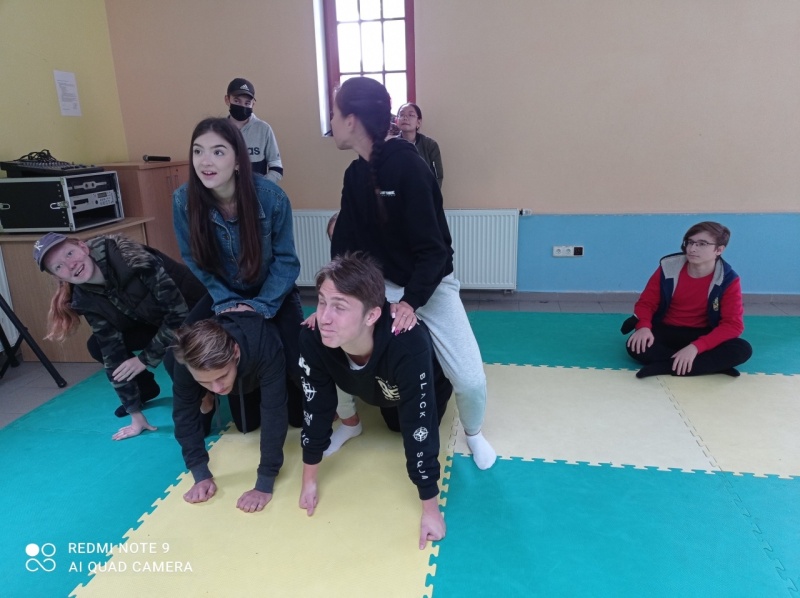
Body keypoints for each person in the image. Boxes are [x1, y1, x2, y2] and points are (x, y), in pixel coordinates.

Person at [325, 76, 496, 470]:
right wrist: (333, 299)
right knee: (331, 337)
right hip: (379, 284)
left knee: (469, 379)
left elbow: (435, 250)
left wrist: (410, 302)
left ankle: (473, 433)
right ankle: (349, 423)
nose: (331, 122)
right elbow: (345, 246)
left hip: (429, 283)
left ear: (351, 120)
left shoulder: (409, 167)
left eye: (333, 114)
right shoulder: (354, 175)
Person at [298, 252, 451, 549]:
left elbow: (420, 427)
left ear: (371, 316)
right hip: (376, 388)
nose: (324, 318)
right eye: (322, 302)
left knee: (400, 426)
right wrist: (309, 480)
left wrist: (431, 511)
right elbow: (315, 409)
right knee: (389, 416)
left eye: (339, 307)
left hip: (423, 384)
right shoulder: (314, 337)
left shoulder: (408, 344)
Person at [173, 117, 304, 428]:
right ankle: (206, 400)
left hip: (274, 291)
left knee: (298, 367)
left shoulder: (271, 197)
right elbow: (193, 258)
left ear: (237, 161)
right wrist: (228, 301)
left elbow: (287, 262)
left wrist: (260, 307)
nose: (205, 161)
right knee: (178, 354)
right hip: (223, 293)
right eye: (198, 151)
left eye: (218, 152)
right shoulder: (183, 200)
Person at [35, 232, 206, 440]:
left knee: (173, 356)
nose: (70, 265)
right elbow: (111, 351)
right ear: (59, 278)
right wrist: (135, 413)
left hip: (198, 312)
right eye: (59, 266)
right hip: (156, 321)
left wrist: (144, 359)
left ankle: (203, 400)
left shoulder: (132, 258)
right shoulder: (84, 297)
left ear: (83, 247)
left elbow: (178, 315)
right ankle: (145, 390)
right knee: (97, 345)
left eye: (69, 254)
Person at [170, 315, 288, 512]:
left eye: (222, 376)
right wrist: (200, 474)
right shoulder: (186, 363)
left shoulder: (265, 345)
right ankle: (209, 393)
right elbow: (184, 416)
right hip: (240, 374)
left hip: (266, 360)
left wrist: (265, 483)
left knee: (296, 417)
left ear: (235, 351)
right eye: (205, 382)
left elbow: (274, 414)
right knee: (246, 424)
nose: (217, 388)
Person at [623, 221, 753, 378]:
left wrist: (695, 347)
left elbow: (733, 325)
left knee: (742, 349)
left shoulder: (728, 279)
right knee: (635, 345)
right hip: (666, 330)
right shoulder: (668, 267)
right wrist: (643, 327)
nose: (692, 249)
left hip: (703, 333)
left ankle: (665, 366)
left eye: (702, 244)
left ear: (719, 250)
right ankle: (707, 366)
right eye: (690, 242)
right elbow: (646, 303)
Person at [224, 77, 284, 183]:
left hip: (256, 192)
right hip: (224, 192)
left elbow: (277, 167)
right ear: (227, 100)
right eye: (237, 101)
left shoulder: (264, 129)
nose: (242, 106)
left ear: (253, 104)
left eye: (247, 103)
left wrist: (261, 187)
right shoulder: (217, 130)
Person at [396, 102, 443, 188]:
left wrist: (432, 194)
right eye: (401, 115)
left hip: (424, 192)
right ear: (397, 121)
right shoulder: (391, 145)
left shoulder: (430, 145)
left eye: (411, 115)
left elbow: (438, 176)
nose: (405, 118)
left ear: (418, 122)